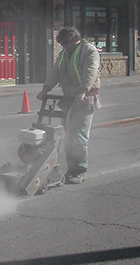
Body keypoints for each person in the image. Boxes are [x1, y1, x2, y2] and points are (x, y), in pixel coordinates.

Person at [37, 27, 100, 184]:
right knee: (67, 136)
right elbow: (55, 72)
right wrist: (45, 89)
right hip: (68, 98)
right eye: (62, 44)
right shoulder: (64, 53)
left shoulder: (89, 51)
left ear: (74, 40)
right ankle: (69, 168)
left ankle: (80, 170)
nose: (64, 46)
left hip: (85, 98)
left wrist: (83, 91)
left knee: (78, 136)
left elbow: (90, 73)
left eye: (65, 43)